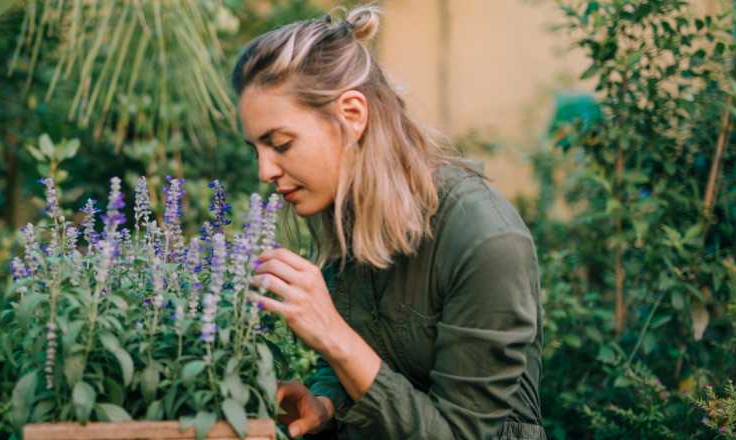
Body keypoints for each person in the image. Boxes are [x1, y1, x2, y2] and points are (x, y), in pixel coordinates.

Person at [232, 4, 545, 440]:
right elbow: (357, 360)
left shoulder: (486, 239)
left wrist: (333, 334)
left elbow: (460, 434)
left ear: (352, 115)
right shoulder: (343, 211)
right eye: (256, 150)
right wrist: (325, 404)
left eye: (281, 144)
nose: (264, 171)